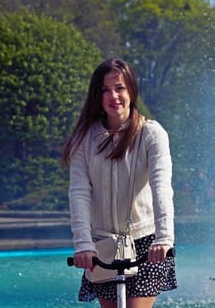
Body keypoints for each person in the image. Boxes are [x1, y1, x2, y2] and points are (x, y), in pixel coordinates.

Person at [62, 58, 176, 307]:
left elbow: (161, 188)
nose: (113, 95)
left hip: (147, 243)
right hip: (103, 244)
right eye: (105, 90)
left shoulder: (151, 134)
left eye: (120, 88)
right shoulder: (84, 139)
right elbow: (79, 193)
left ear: (131, 91)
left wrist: (164, 238)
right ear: (97, 96)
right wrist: (83, 244)